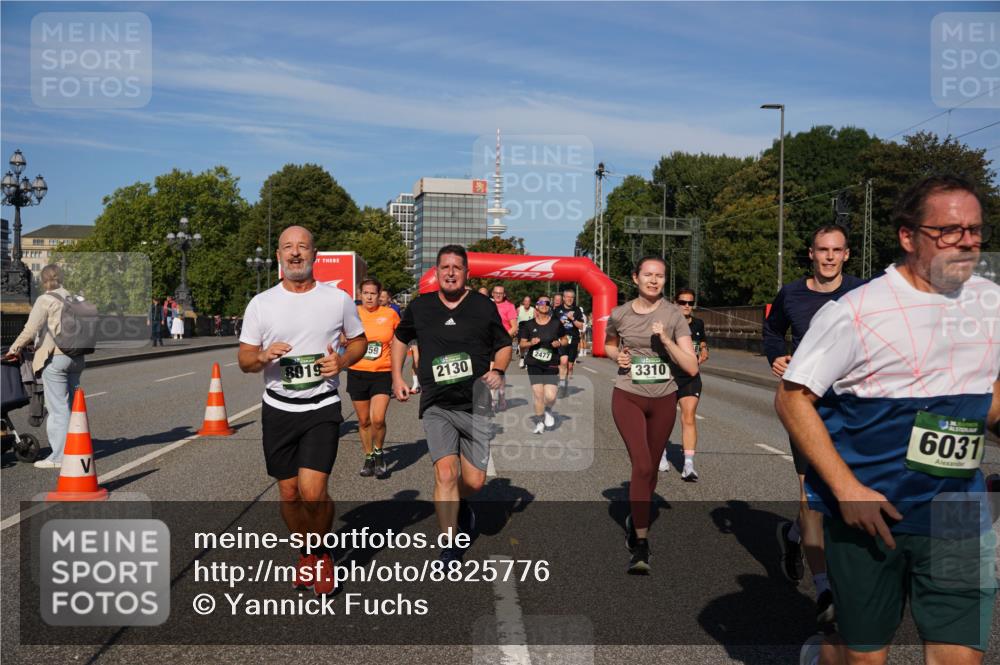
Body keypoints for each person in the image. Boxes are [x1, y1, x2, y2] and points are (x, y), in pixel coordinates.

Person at [775, 175, 997, 665]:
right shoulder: (856, 311)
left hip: (958, 512)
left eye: (975, 232)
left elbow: (992, 393)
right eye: (948, 231)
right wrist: (848, 490)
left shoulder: (991, 303)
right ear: (907, 236)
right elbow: (792, 400)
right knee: (865, 655)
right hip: (872, 513)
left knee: (959, 656)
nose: (966, 243)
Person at [238, 225, 367, 596]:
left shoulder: (337, 299)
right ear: (279, 255)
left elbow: (359, 341)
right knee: (289, 494)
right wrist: (261, 356)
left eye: (302, 247)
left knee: (313, 491)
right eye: (287, 248)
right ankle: (307, 551)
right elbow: (245, 359)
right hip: (278, 408)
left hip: (321, 406)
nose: (295, 253)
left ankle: (323, 553)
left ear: (314, 254)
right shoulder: (261, 303)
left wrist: (341, 362)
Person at [763, 223, 865, 623]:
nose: (828, 257)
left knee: (845, 493)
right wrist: (775, 355)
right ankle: (824, 590)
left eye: (836, 250)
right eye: (822, 249)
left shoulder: (862, 292)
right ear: (811, 253)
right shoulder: (791, 293)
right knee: (812, 497)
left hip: (854, 408)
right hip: (805, 404)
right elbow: (772, 331)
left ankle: (792, 536)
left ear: (846, 254)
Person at [391, 245, 511, 564]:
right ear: (436, 271)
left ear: (467, 273)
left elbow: (504, 346)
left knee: (473, 481)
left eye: (457, 267)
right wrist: (397, 377)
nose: (451, 272)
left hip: (476, 405)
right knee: (445, 474)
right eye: (445, 267)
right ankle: (449, 543)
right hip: (437, 404)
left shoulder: (483, 307)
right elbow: (400, 338)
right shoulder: (421, 306)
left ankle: (462, 502)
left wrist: (498, 370)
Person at [605, 256, 698, 574]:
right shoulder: (620, 313)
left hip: (663, 398)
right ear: (635, 278)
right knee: (643, 465)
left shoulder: (674, 315)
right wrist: (619, 355)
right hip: (628, 395)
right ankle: (641, 544)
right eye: (648, 275)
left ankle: (636, 518)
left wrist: (667, 341)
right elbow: (608, 345)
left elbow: (691, 366)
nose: (654, 280)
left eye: (660, 275)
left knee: (651, 473)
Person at [5, 264, 87, 469]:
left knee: (58, 409)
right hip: (77, 358)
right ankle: (77, 448)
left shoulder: (46, 299)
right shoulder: (75, 299)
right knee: (71, 408)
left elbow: (30, 329)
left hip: (56, 357)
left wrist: (14, 349)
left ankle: (59, 456)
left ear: (44, 281)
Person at [348, 278, 400, 479]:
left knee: (377, 419)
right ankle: (368, 456)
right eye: (366, 293)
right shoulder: (352, 314)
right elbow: (339, 335)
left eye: (373, 293)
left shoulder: (390, 314)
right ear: (360, 294)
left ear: (380, 295)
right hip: (357, 372)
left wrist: (398, 374)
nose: (369, 297)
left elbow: (401, 340)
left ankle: (379, 454)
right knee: (363, 421)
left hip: (382, 372)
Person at [659, 288, 708, 480]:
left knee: (688, 417)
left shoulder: (698, 323)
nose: (687, 306)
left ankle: (688, 465)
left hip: (690, 377)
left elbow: (702, 341)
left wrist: (704, 350)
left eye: (690, 302)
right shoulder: (667, 324)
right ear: (675, 303)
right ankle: (661, 453)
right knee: (666, 418)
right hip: (669, 377)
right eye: (682, 302)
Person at [518, 296, 565, 434]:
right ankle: (539, 422)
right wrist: (530, 343)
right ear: (536, 306)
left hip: (551, 362)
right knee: (538, 394)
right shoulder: (529, 325)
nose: (544, 305)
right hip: (534, 363)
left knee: (550, 396)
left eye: (547, 303)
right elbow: (521, 344)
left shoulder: (556, 324)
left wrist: (560, 343)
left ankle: (548, 410)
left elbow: (565, 339)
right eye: (540, 302)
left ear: (550, 307)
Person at [491, 285, 518, 411]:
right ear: (492, 293)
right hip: (489, 342)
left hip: (502, 343)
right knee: (490, 371)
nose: (498, 295)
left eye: (500, 293)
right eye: (496, 293)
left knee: (499, 372)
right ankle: (492, 399)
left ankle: (500, 396)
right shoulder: (487, 304)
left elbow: (514, 327)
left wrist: (502, 337)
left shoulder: (509, 306)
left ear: (504, 294)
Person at [553, 288, 585, 397]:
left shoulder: (577, 310)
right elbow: (552, 323)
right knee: (563, 361)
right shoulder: (557, 310)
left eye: (572, 297)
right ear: (564, 298)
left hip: (574, 338)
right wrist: (559, 322)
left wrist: (572, 318)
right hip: (562, 338)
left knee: (570, 366)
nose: (570, 299)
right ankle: (561, 387)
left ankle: (564, 383)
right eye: (568, 297)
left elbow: (581, 326)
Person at [515, 296, 535, 368]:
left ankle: (527, 361)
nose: (527, 303)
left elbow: (535, 320)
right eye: (525, 301)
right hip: (521, 328)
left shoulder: (533, 310)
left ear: (530, 302)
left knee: (528, 345)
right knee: (522, 345)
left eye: (528, 301)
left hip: (530, 328)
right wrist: (516, 329)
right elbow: (515, 319)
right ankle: (522, 358)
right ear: (523, 302)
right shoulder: (519, 309)